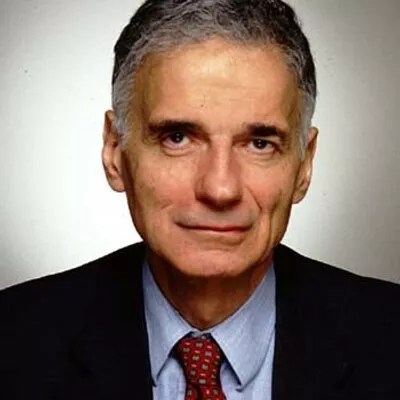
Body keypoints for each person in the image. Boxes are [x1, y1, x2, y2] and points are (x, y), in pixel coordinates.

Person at [1, 0, 399, 399]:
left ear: (305, 165)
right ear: (114, 150)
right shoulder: (13, 341)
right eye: (177, 138)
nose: (220, 188)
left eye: (259, 143)